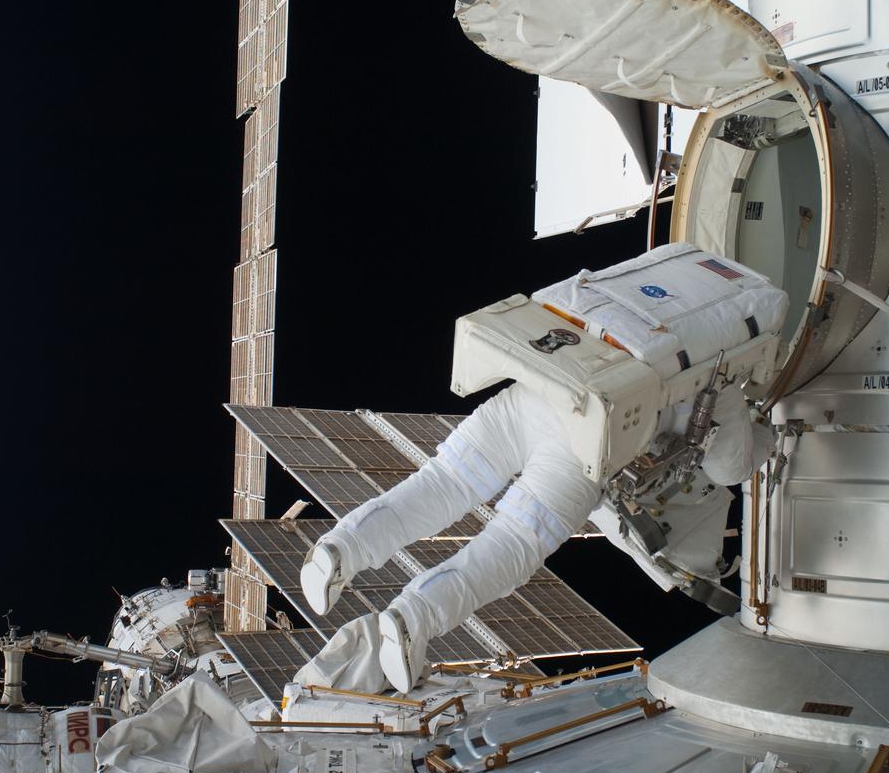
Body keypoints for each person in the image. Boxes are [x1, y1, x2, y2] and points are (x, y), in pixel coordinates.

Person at [301, 243, 788, 692]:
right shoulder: (722, 363)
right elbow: (731, 468)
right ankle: (413, 618)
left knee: (441, 483)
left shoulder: (665, 282)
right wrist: (764, 433)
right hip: (580, 449)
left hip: (532, 390)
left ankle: (341, 548)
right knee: (511, 542)